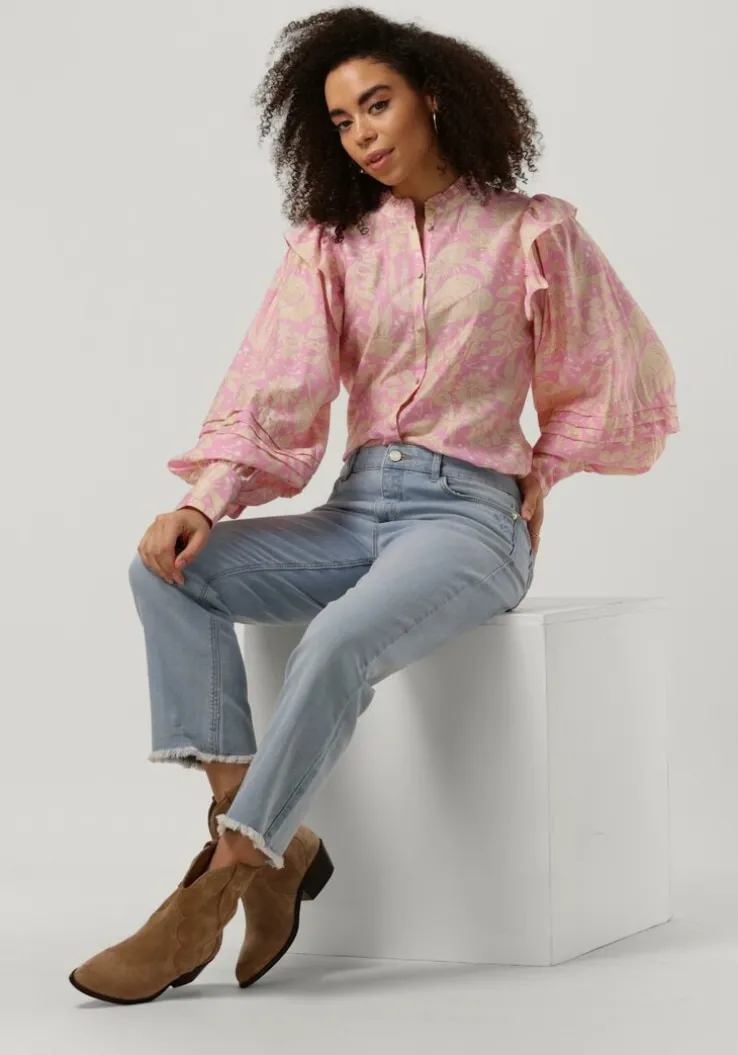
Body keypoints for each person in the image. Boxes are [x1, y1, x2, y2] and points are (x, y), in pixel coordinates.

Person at [69, 6, 679, 1004]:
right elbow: (278, 385)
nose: (361, 133)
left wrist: (544, 471)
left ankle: (218, 885)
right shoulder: (334, 245)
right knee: (170, 571)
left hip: (468, 521)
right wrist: (208, 502)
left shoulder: (533, 232)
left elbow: (614, 367)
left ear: (434, 97)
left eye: (377, 104)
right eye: (342, 120)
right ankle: (267, 827)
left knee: (338, 638)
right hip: (356, 509)